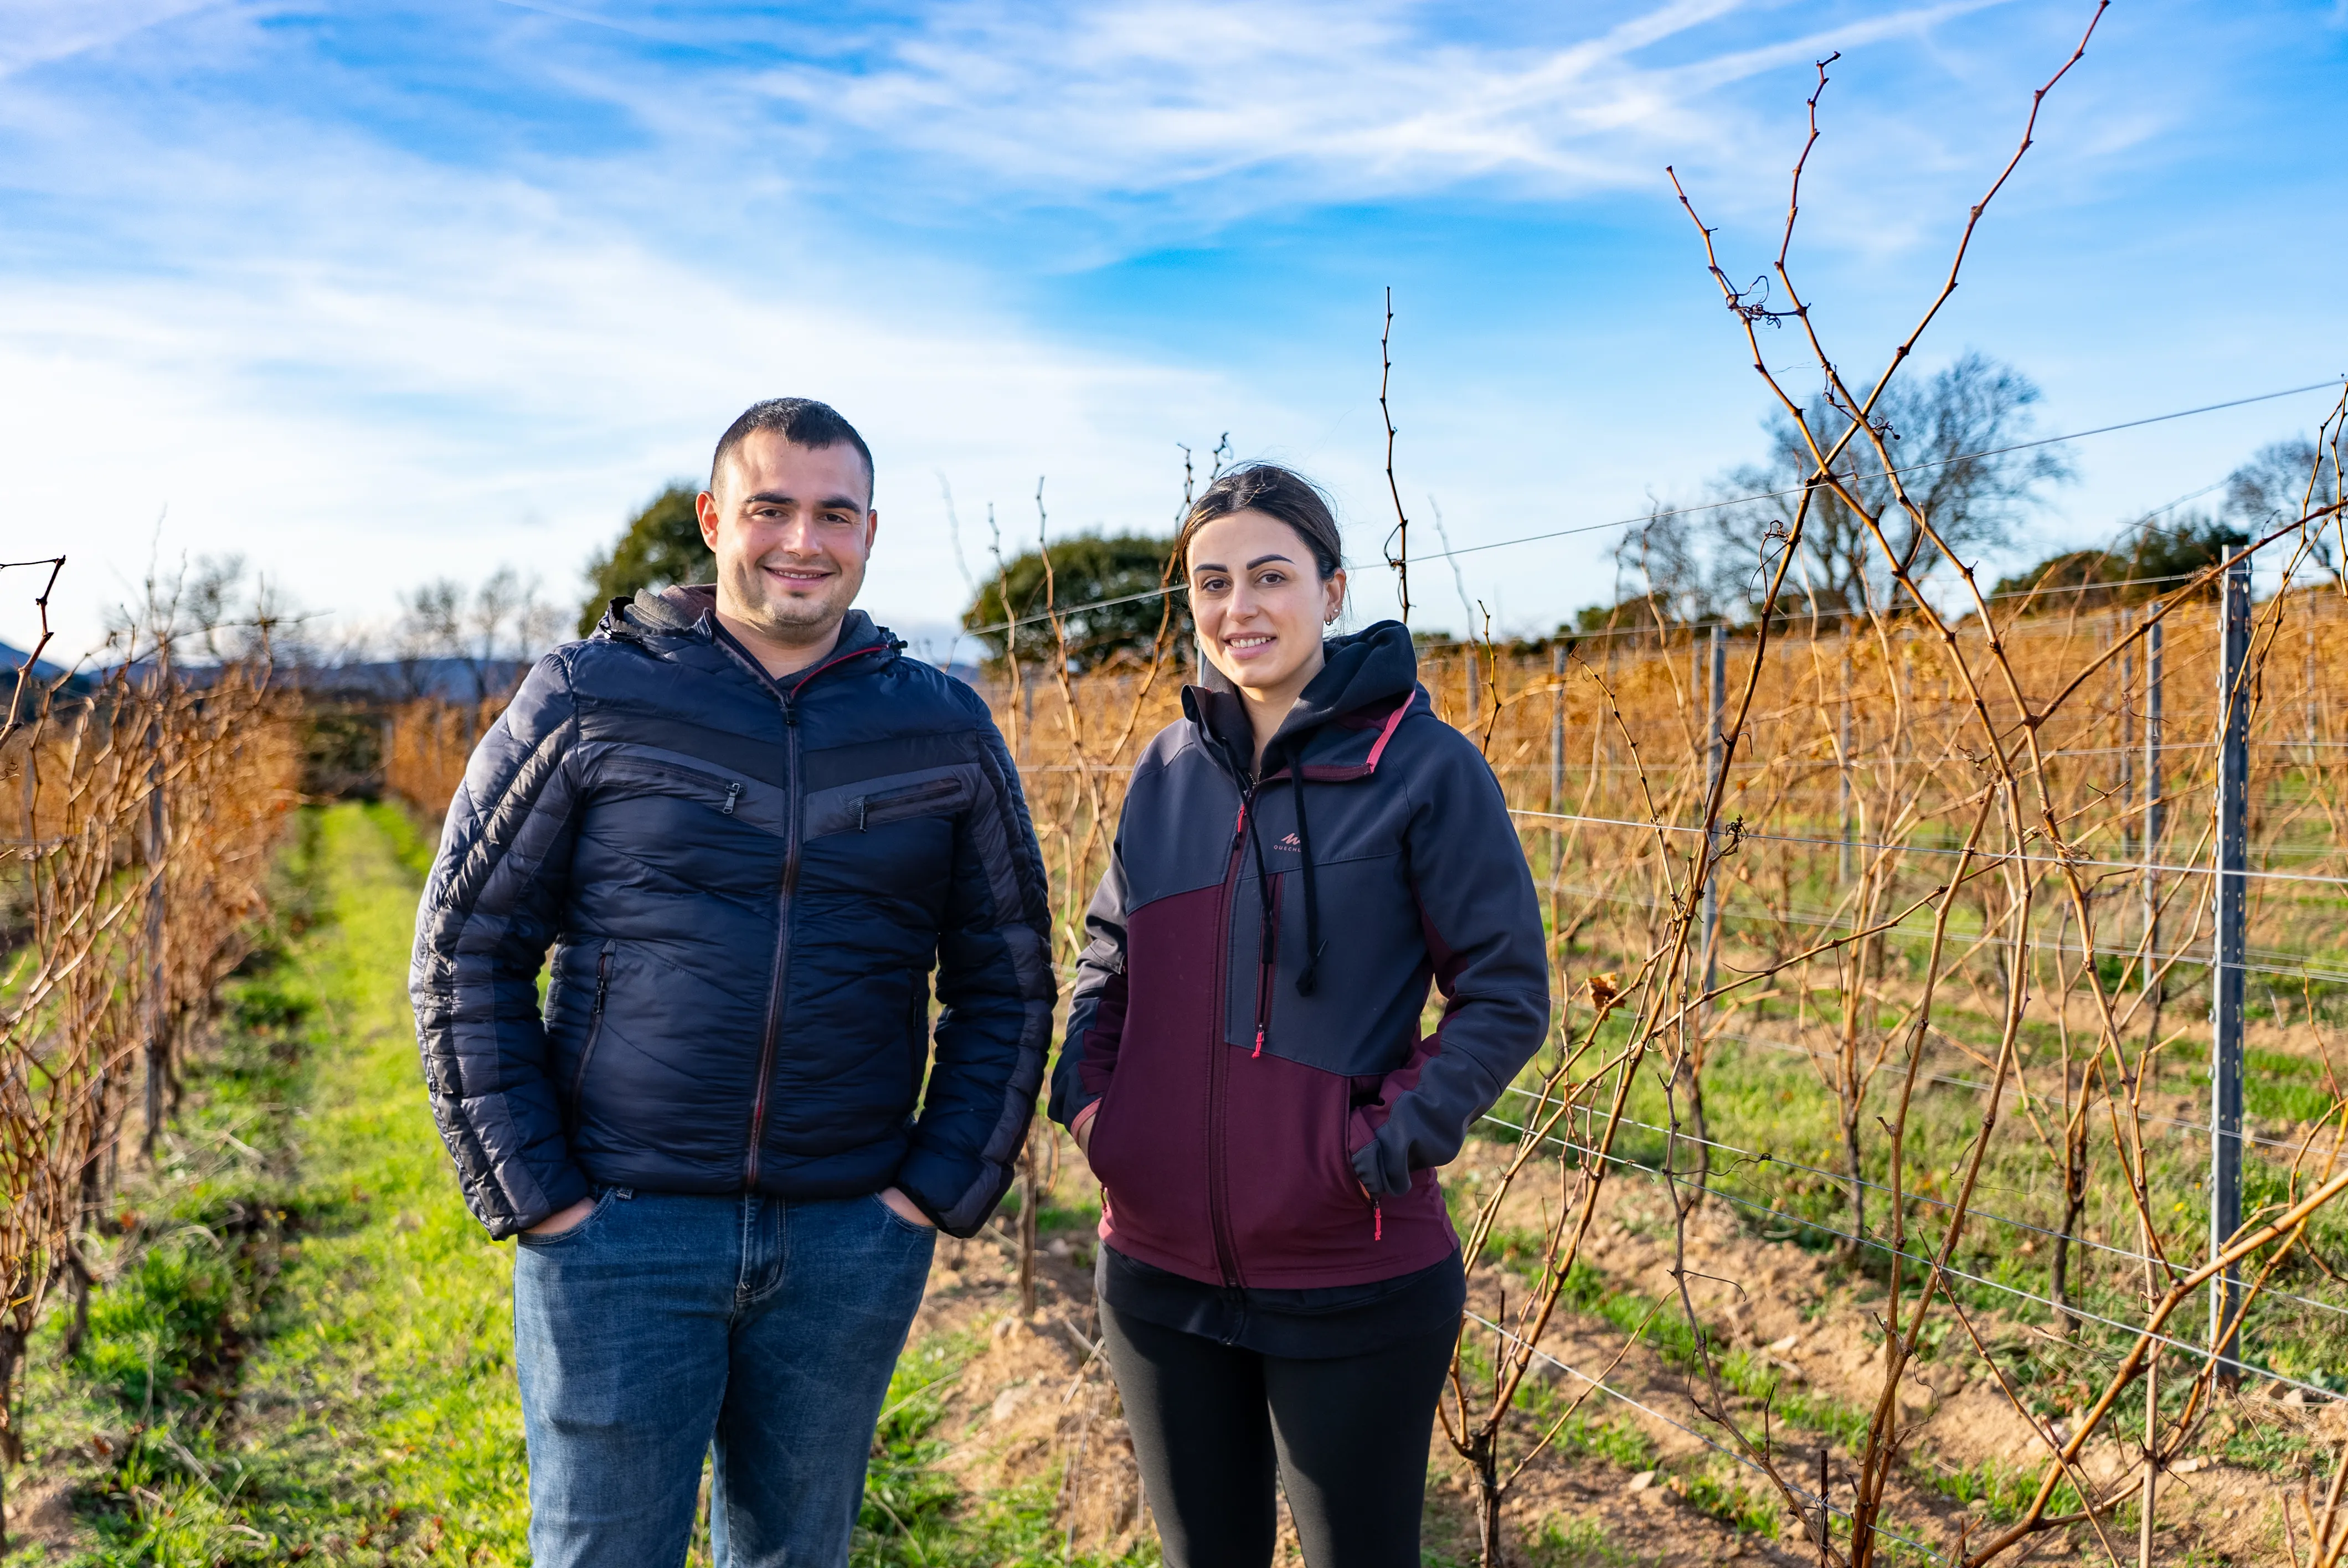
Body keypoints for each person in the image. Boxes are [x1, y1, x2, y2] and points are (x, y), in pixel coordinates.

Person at [410, 398, 1054, 1567]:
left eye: (832, 514)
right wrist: (542, 1197)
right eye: (769, 509)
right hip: (618, 1230)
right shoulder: (588, 695)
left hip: (846, 1237)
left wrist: (929, 1195)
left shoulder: (943, 727)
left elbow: (1006, 982)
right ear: (715, 521)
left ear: (868, 533)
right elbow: (466, 946)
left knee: (796, 1555)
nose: (800, 540)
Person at [1048, 463, 1551, 1567]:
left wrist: (1371, 1150)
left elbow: (1504, 991)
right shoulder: (1167, 769)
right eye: (1211, 583)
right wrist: (1093, 1112)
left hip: (1349, 1271)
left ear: (1329, 588)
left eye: (1269, 576)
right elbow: (1109, 954)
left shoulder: (1420, 768)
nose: (1239, 609)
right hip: (1154, 1273)